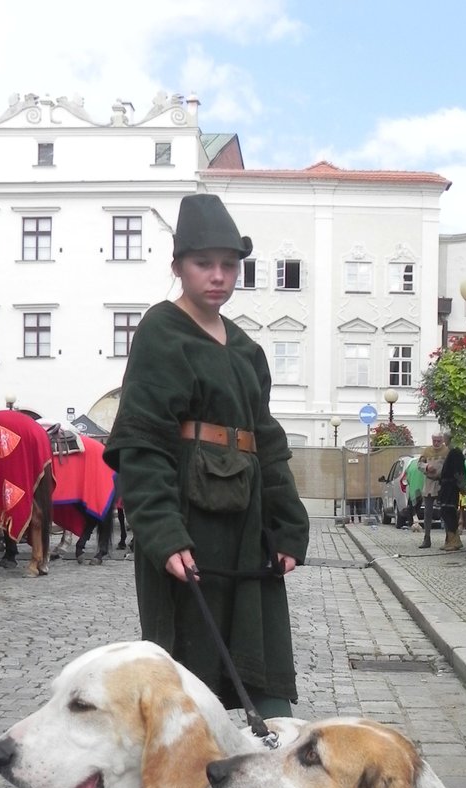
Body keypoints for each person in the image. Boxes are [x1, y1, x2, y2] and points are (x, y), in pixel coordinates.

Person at [104, 194, 309, 718]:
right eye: (203, 264)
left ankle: (266, 776)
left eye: (229, 265)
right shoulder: (160, 331)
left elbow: (267, 440)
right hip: (190, 522)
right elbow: (142, 443)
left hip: (248, 523)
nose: (217, 276)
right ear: (178, 268)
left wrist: (287, 525)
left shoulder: (246, 349)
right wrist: (162, 533)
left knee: (259, 653)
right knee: (188, 676)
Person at [438, 442, 466, 552]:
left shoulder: (455, 454)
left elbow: (459, 473)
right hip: (447, 487)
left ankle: (454, 541)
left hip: (450, 489)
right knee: (446, 512)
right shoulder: (453, 453)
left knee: (448, 513)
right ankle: (450, 540)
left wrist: (462, 487)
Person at [418, 433, 445, 549]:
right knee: (427, 512)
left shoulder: (447, 451)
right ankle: (427, 538)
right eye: (434, 441)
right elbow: (419, 464)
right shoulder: (426, 451)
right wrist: (426, 467)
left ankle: (449, 538)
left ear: (442, 440)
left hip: (442, 483)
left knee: (446, 510)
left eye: (439, 441)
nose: (436, 443)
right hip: (429, 483)